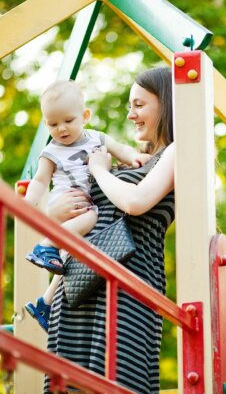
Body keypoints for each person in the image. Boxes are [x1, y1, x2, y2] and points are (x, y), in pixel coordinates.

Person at [44, 67, 175, 394]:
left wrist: (100, 170)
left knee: (120, 378)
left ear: (167, 104)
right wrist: (52, 211)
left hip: (127, 283)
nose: (131, 114)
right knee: (69, 382)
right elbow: (78, 204)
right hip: (79, 285)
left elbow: (136, 201)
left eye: (139, 105)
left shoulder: (176, 153)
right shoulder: (135, 160)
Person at [24, 80, 152, 331]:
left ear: (85, 116)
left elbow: (121, 150)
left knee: (71, 260)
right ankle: (45, 246)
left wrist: (136, 158)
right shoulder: (51, 151)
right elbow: (39, 180)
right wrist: (29, 203)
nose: (61, 128)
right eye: (52, 124)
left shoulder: (96, 139)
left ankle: (45, 304)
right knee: (92, 218)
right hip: (71, 205)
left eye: (68, 121)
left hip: (80, 210)